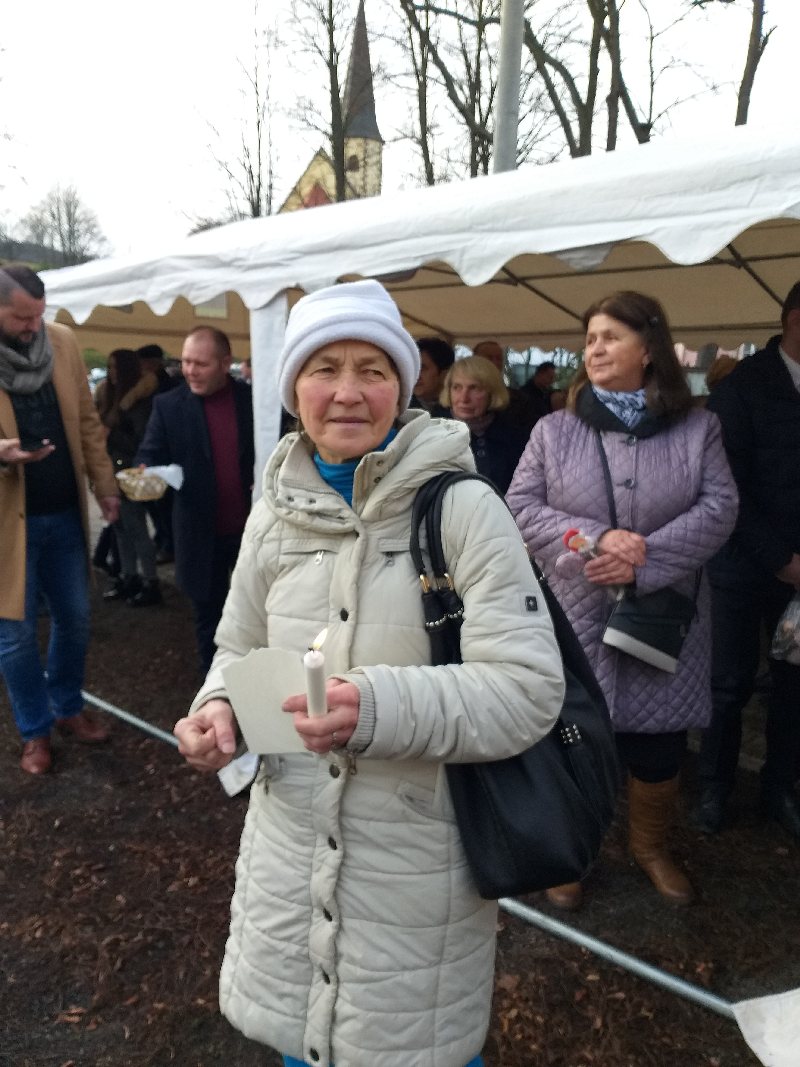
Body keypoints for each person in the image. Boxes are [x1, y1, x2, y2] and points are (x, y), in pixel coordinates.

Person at [173, 280, 564, 1067]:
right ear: (294, 388)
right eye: (324, 368)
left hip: (414, 866)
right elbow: (237, 643)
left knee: (409, 1048)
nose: (348, 391)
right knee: (302, 1043)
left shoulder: (463, 509)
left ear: (404, 386)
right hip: (288, 850)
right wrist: (218, 705)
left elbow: (527, 688)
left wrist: (373, 706)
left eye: (372, 369)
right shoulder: (275, 510)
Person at [508, 290, 738, 909]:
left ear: (649, 348)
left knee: (658, 747)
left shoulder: (699, 428)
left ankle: (650, 847)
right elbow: (521, 506)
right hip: (578, 612)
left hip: (663, 617)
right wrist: (596, 542)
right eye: (590, 339)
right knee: (574, 737)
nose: (595, 349)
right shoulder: (554, 430)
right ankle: (571, 849)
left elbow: (720, 508)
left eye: (611, 336)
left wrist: (644, 560)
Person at [0, 264, 119, 775]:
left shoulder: (63, 342)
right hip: (9, 524)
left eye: (39, 315)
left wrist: (105, 486)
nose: (34, 327)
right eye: (22, 318)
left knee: (75, 617)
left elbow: (88, 423)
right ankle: (35, 731)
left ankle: (67, 706)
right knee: (15, 635)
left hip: (65, 512)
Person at [694, 283, 800, 841]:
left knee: (793, 684)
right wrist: (780, 558)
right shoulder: (742, 387)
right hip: (740, 564)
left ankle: (779, 789)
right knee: (729, 684)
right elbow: (725, 486)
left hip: (797, 571)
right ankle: (714, 788)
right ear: (795, 322)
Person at [137, 326, 254, 672]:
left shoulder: (253, 401)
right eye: (186, 362)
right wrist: (143, 472)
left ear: (225, 363)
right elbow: (149, 454)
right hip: (200, 533)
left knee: (257, 612)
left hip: (252, 531)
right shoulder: (168, 405)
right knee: (208, 618)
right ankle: (213, 687)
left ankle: (258, 683)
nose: (190, 371)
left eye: (200, 364)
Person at [95, 348, 161, 606]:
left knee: (136, 528)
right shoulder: (111, 397)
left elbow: (142, 439)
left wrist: (112, 431)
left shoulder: (138, 401)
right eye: (109, 367)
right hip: (112, 470)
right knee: (120, 528)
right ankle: (129, 576)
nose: (112, 373)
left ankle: (150, 581)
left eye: (116, 367)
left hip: (130, 471)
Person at [440, 354, 530, 494]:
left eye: (474, 388)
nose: (464, 398)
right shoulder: (433, 433)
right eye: (457, 387)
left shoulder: (516, 438)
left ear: (492, 393)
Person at [410, 335, 454, 416]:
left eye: (423, 368)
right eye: (413, 368)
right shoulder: (400, 408)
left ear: (444, 374)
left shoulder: (458, 407)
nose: (416, 375)